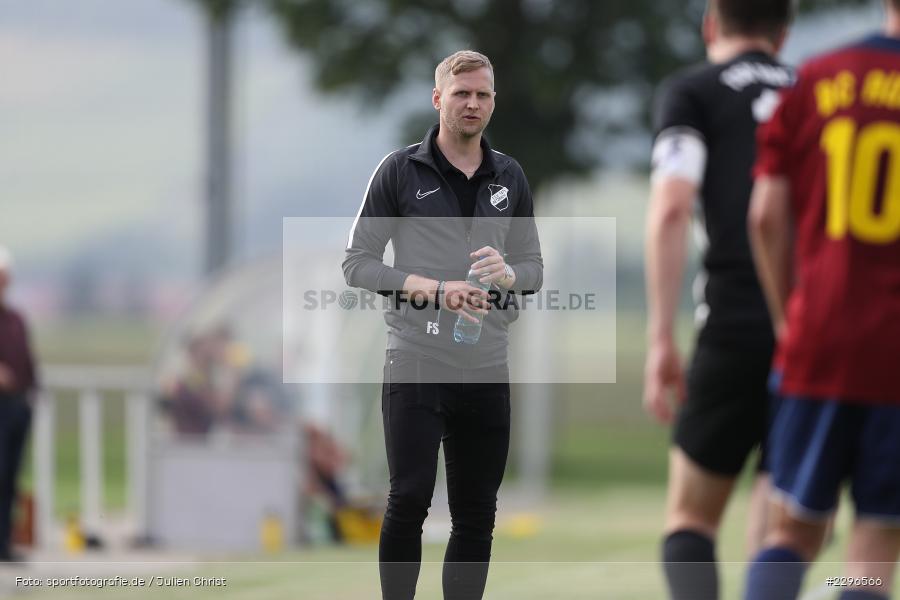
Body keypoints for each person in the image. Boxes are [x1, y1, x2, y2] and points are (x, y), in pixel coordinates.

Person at [343, 50, 542, 600]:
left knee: (477, 513)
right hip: (416, 357)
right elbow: (357, 263)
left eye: (482, 94)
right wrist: (432, 290)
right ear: (438, 100)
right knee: (408, 498)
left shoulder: (511, 176)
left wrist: (508, 273)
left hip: (486, 361)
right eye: (461, 94)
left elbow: (533, 270)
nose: (472, 103)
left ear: (494, 102)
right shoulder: (399, 171)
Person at [743, 2, 900, 599]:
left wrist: (791, 318)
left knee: (796, 530)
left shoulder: (817, 76)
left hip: (819, 339)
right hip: (894, 355)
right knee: (875, 539)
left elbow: (763, 217)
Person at [643, 1, 795, 598]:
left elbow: (672, 208)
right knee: (792, 530)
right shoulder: (817, 92)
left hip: (732, 322)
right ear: (784, 33)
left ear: (711, 24)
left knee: (689, 521)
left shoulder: (691, 92)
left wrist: (660, 338)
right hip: (812, 329)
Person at [0, 246, 38, 562]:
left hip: (17, 406)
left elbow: (28, 361)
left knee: (10, 476)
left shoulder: (15, 319)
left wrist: (31, 394)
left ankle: (4, 542)